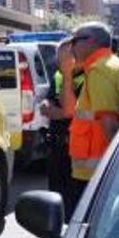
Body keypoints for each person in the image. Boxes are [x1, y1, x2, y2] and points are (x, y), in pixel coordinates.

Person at [59, 22, 119, 209]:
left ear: (90, 42)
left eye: (74, 41)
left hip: (97, 174)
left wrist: (114, 171)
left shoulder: (100, 70)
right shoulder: (116, 66)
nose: (71, 47)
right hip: (102, 171)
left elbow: (109, 123)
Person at [40, 39, 85, 219]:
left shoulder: (88, 77)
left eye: (65, 57)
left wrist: (55, 111)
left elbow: (69, 112)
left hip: (76, 150)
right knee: (57, 200)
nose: (60, 61)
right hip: (57, 149)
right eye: (59, 57)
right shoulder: (60, 75)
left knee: (75, 204)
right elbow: (48, 100)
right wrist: (47, 105)